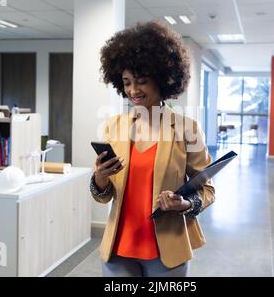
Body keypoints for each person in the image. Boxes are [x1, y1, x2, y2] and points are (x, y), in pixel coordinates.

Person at [90, 20, 215, 277]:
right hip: (119, 249)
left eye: (142, 81)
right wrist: (100, 178)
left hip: (167, 249)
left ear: (163, 79)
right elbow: (103, 195)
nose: (133, 90)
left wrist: (184, 203)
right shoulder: (113, 127)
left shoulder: (186, 129)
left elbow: (208, 190)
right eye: (126, 82)